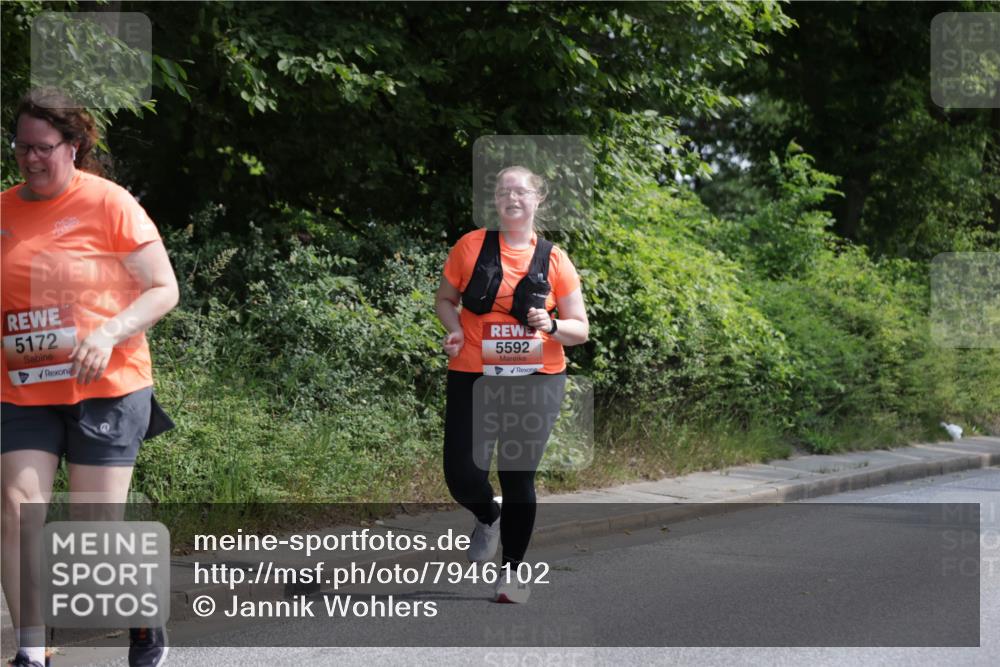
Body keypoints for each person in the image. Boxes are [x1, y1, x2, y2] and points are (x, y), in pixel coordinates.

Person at [1, 89, 179, 667]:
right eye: (21, 146)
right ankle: (32, 650)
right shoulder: (2, 211)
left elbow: (163, 288)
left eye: (43, 148)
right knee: (16, 506)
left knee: (94, 531)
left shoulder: (110, 204)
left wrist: (106, 333)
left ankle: (143, 616)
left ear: (73, 147)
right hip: (22, 388)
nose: (30, 159)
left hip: (108, 384)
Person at [435, 165, 589, 604]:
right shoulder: (470, 246)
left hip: (537, 378)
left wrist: (553, 323)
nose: (512, 198)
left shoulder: (555, 259)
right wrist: (456, 330)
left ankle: (512, 574)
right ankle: (488, 516)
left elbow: (580, 329)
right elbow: (445, 300)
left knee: (518, 474)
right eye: (504, 191)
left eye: (521, 191)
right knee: (462, 476)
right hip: (473, 371)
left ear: (538, 200)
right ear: (496, 201)